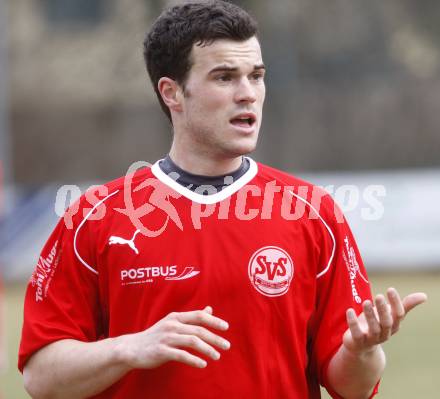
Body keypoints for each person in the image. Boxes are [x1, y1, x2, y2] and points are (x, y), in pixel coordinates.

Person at [19, 1, 427, 398]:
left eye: (257, 75)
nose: (248, 93)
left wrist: (362, 350)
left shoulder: (312, 212)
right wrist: (128, 348)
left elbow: (352, 387)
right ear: (172, 93)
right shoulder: (95, 217)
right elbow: (41, 378)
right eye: (225, 77)